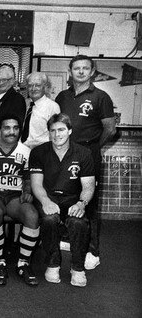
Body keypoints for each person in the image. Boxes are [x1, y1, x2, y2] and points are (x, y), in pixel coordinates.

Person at [55, 55, 115, 270]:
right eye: (76, 68)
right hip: (64, 154)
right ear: (70, 71)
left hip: (88, 154)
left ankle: (92, 250)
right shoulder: (62, 96)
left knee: (88, 202)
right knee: (65, 196)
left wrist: (92, 148)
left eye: (85, 68)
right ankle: (69, 238)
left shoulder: (101, 97)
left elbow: (110, 128)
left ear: (92, 71)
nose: (80, 72)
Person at [30, 113, 94, 287]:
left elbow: (88, 186)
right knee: (49, 219)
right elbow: (36, 184)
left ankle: (78, 267)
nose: (57, 135)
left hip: (73, 198)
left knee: (78, 222)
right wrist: (45, 201)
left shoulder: (84, 153)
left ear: (70, 131)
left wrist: (82, 203)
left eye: (61, 130)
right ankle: (53, 263)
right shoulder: (38, 152)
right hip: (48, 196)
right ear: (49, 133)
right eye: (53, 131)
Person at [0, 113, 40, 286]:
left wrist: (27, 191)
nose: (11, 132)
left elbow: (28, 178)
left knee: (32, 215)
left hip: (14, 195)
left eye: (15, 128)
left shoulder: (25, 151)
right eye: (7, 128)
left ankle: (23, 263)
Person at [22, 72, 60, 148]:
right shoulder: (25, 104)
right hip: (22, 149)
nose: (33, 89)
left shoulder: (52, 106)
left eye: (38, 85)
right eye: (30, 85)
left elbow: (56, 134)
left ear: (45, 87)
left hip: (42, 151)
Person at [0, 63, 26, 138]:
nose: (0, 83)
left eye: (4, 80)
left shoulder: (17, 99)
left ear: (12, 81)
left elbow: (15, 127)